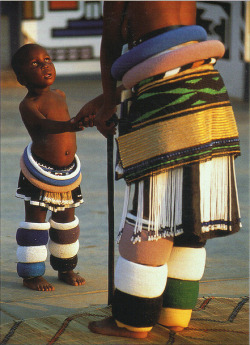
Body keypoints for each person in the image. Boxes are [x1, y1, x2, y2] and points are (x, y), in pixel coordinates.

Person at [76, 1, 241, 338]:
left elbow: (112, 49)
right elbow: (172, 49)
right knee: (189, 213)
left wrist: (110, 103)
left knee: (151, 216)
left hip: (163, 107)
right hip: (207, 92)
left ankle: (133, 321)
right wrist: (110, 98)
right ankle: (176, 313)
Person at [11, 44, 95, 291]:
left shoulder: (60, 94)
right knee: (36, 223)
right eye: (35, 64)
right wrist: (70, 125)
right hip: (38, 174)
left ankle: (66, 267)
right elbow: (43, 127)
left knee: (66, 224)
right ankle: (31, 273)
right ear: (21, 78)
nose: (45, 65)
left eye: (46, 59)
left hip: (67, 174)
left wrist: (79, 121)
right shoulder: (28, 104)